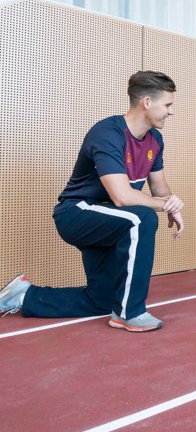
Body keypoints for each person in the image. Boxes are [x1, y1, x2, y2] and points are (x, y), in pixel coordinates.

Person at [0, 71, 184, 332]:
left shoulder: (156, 140)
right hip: (77, 213)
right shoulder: (108, 132)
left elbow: (159, 186)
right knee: (141, 218)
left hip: (111, 220)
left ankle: (23, 295)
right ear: (146, 102)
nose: (170, 112)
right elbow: (122, 196)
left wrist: (172, 205)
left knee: (101, 300)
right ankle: (130, 313)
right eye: (167, 105)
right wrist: (161, 205)